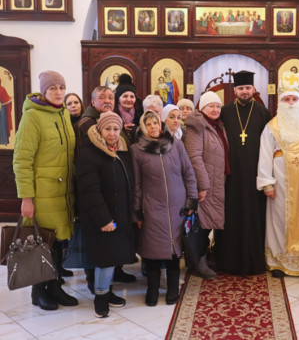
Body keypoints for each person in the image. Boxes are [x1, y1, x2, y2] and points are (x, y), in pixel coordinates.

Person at [13, 71, 77, 311]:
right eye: (53, 88)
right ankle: (38, 291)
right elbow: (22, 160)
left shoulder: (62, 113)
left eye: (62, 87)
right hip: (42, 194)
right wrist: (26, 198)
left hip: (63, 192)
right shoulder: (32, 117)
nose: (59, 92)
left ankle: (55, 286)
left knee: (58, 242)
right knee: (42, 243)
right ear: (43, 91)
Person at [257, 72, 299, 279]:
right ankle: (278, 262)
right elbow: (265, 155)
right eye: (287, 99)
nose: (291, 103)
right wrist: (267, 183)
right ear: (281, 101)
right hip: (281, 183)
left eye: (295, 99)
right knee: (279, 220)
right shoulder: (271, 126)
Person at [131, 110, 198, 306]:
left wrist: (192, 200)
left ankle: (172, 290)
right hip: (152, 207)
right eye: (149, 124)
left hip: (178, 206)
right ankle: (151, 290)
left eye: (156, 123)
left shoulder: (176, 144)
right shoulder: (136, 150)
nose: (153, 127)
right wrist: (137, 210)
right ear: (143, 127)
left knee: (174, 252)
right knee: (152, 251)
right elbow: (136, 183)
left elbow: (188, 172)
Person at [75, 112, 134, 318]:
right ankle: (100, 299)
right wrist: (104, 218)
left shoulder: (123, 151)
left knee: (113, 256)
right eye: (107, 129)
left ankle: (107, 293)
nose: (112, 133)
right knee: (105, 260)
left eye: (116, 129)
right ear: (99, 130)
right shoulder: (89, 154)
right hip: (102, 217)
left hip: (120, 215)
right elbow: (90, 190)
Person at [217, 70, 272, 275]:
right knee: (231, 215)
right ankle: (227, 261)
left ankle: (253, 260)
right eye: (240, 88)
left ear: (253, 89)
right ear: (235, 90)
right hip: (230, 176)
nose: (244, 92)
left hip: (255, 175)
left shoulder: (262, 112)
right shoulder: (224, 111)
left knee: (253, 216)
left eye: (248, 88)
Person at [184, 92, 229, 278]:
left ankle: (202, 257)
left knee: (209, 222)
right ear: (201, 108)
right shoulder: (197, 126)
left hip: (217, 182)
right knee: (201, 225)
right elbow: (194, 157)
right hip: (206, 185)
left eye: (218, 106)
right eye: (211, 106)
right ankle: (197, 263)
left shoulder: (217, 125)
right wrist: (203, 186)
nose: (215, 109)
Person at [75, 86, 115, 154]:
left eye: (111, 98)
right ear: (93, 102)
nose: (107, 101)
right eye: (102, 98)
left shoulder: (116, 121)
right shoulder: (84, 124)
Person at [114, 74, 143, 143]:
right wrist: (121, 129)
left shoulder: (141, 111)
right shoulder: (112, 113)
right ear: (118, 99)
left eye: (132, 97)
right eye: (125, 96)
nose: (129, 99)